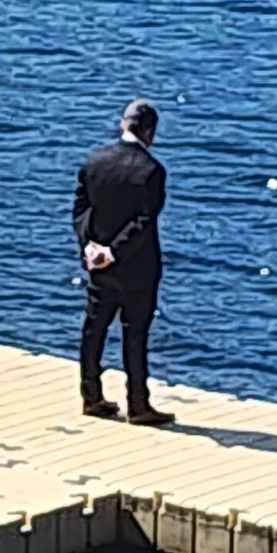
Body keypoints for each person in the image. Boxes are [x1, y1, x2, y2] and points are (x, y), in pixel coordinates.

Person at [74, 100, 171, 425]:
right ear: (150, 132)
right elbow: (144, 221)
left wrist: (90, 246)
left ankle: (91, 397)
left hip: (97, 263)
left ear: (122, 125)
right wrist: (114, 250)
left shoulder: (95, 162)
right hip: (137, 268)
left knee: (93, 329)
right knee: (135, 336)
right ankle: (138, 405)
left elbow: (81, 210)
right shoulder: (152, 171)